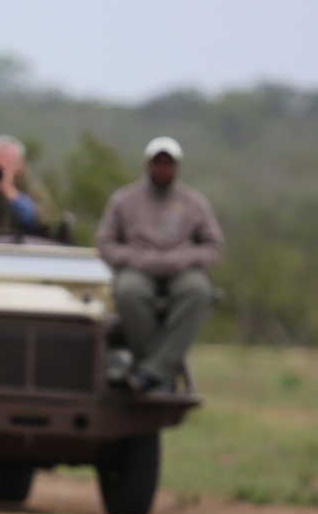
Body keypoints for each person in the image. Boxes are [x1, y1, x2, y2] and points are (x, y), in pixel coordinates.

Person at [95, 137, 224, 393]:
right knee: (129, 291)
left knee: (199, 291)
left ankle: (150, 373)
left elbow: (214, 246)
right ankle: (158, 370)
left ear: (176, 167)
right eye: (158, 163)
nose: (162, 169)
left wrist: (184, 259)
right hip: (138, 265)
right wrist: (134, 258)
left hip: (181, 267)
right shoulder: (124, 200)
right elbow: (105, 243)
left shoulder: (193, 202)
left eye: (168, 163)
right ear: (148, 165)